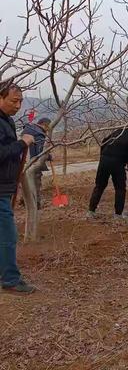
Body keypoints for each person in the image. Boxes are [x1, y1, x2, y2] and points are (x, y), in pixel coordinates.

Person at [0, 81, 35, 294]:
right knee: (8, 235)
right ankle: (11, 280)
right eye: (14, 101)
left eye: (21, 101)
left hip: (5, 187)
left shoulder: (7, 121)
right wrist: (22, 143)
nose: (18, 105)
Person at [87, 123, 128, 219]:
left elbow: (104, 141)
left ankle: (91, 211)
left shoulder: (119, 131)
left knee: (99, 186)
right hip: (118, 164)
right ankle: (118, 214)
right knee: (120, 188)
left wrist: (103, 156)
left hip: (104, 160)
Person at [21, 117, 52, 211]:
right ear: (44, 124)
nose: (48, 129)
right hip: (33, 162)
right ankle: (36, 203)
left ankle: (25, 200)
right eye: (48, 126)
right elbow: (40, 151)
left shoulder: (28, 129)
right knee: (36, 182)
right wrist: (48, 156)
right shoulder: (39, 134)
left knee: (25, 181)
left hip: (22, 161)